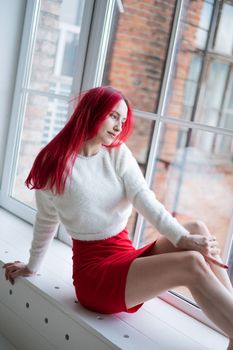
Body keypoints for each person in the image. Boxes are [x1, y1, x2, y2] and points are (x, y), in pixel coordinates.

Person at [3, 86, 233, 349]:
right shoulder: (52, 163)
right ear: (92, 111)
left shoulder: (116, 154)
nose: (118, 126)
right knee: (191, 262)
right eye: (113, 116)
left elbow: (145, 200)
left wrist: (184, 237)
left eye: (122, 120)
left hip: (125, 255)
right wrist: (32, 267)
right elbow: (45, 222)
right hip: (95, 275)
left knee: (197, 228)